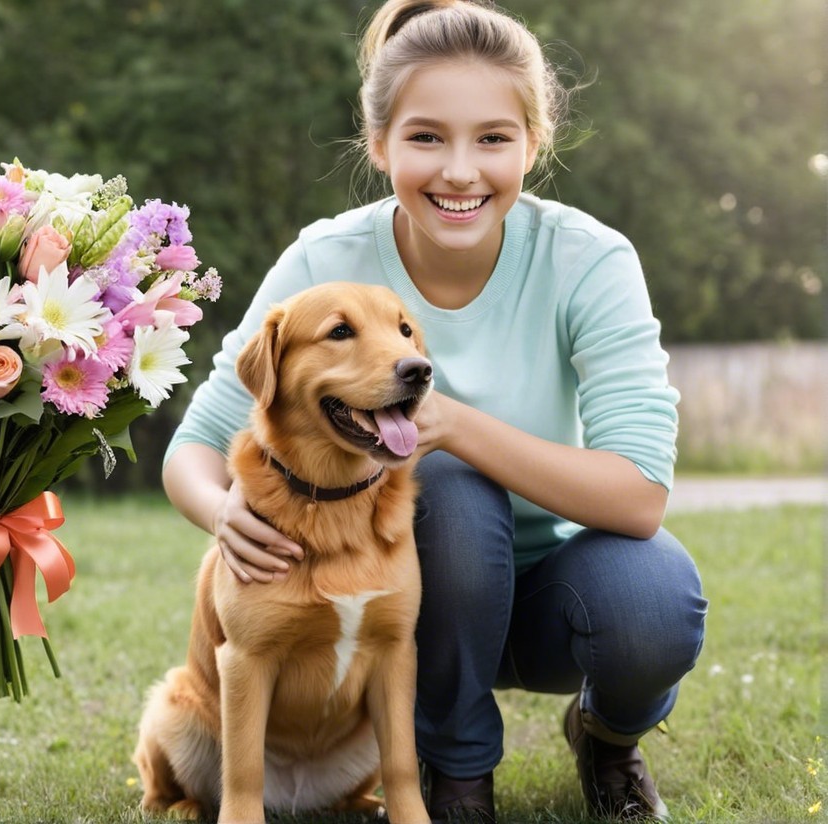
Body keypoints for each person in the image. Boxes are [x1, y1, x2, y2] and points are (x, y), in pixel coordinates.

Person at [160, 0, 709, 821]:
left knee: (654, 599)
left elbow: (639, 495)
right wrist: (221, 510)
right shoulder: (325, 258)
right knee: (444, 489)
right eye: (426, 138)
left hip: (557, 595)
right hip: (416, 598)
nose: (460, 171)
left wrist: (451, 424)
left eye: (493, 138)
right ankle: (456, 777)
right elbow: (195, 443)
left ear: (533, 143)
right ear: (379, 145)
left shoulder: (589, 259)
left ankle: (605, 734)